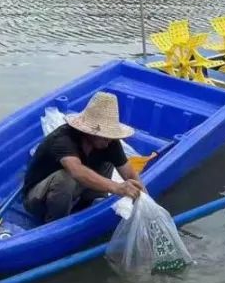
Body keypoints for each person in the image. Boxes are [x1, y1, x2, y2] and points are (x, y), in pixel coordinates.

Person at [22, 91, 146, 223]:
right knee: (65, 178)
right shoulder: (63, 139)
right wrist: (117, 187)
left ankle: (89, 206)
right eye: (104, 136)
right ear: (89, 132)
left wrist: (145, 199)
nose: (108, 140)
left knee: (108, 161)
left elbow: (130, 174)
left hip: (75, 193)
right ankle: (55, 222)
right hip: (38, 199)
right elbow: (77, 171)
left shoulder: (109, 142)